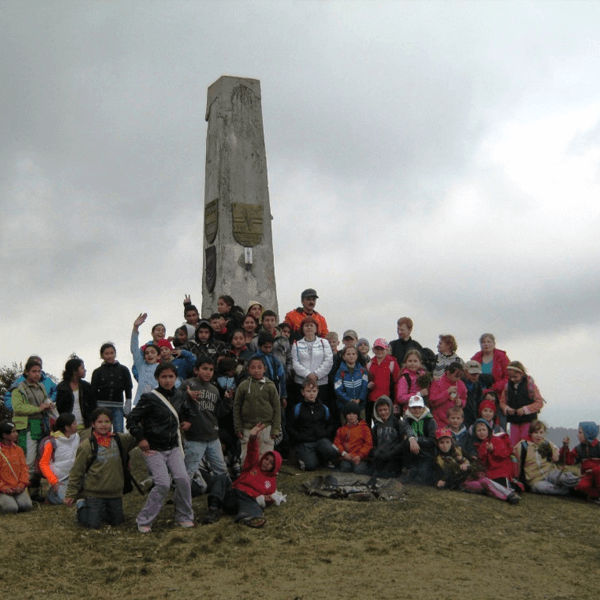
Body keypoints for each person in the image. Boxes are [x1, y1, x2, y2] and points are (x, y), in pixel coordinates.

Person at [127, 363, 195, 533]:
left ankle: (184, 517)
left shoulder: (181, 396)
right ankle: (144, 520)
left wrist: (188, 422)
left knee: (183, 480)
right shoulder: (149, 398)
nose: (167, 380)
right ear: (157, 378)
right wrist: (141, 438)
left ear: (176, 378)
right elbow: (132, 420)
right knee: (163, 484)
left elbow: (187, 413)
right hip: (153, 448)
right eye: (163, 377)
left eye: (171, 376)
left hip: (173, 447)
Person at [65, 408, 138, 528]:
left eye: (107, 421)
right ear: (93, 424)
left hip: (115, 493)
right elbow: (77, 471)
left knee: (118, 522)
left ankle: (103, 510)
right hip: (94, 493)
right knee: (93, 525)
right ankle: (82, 505)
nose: (103, 425)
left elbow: (137, 438)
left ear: (111, 423)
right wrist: (71, 494)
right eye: (99, 422)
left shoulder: (120, 439)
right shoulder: (86, 446)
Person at [203, 422, 283, 528]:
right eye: (266, 459)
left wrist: (268, 500)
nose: (267, 462)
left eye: (271, 463)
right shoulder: (253, 465)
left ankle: (248, 518)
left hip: (246, 501)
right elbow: (252, 452)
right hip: (233, 494)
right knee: (222, 477)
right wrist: (253, 438)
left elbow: (268, 499)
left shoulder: (271, 482)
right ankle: (213, 509)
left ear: (274, 467)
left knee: (253, 502)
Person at [179, 357, 230, 491]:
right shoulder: (188, 384)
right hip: (194, 437)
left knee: (221, 468)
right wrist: (186, 394)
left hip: (212, 436)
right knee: (189, 470)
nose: (208, 372)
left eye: (211, 370)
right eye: (204, 369)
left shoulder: (214, 389)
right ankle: (181, 498)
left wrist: (227, 401)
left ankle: (227, 494)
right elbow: (175, 400)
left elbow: (217, 412)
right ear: (196, 370)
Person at [434, 428, 519, 504]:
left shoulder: (458, 450)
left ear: (451, 442)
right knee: (484, 483)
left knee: (484, 479)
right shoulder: (439, 458)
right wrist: (442, 482)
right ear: (437, 443)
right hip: (461, 483)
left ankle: (508, 494)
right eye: (442, 442)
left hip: (470, 475)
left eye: (447, 442)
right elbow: (445, 476)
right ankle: (508, 496)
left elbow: (472, 461)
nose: (445, 445)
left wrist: (467, 464)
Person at [11, 357, 56, 496]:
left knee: (40, 460)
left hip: (40, 425)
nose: (37, 374)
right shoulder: (18, 388)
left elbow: (44, 402)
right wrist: (39, 408)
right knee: (28, 460)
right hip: (26, 426)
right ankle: (23, 494)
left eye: (39, 371)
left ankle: (35, 492)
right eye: (34, 371)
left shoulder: (42, 387)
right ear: (27, 372)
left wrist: (49, 405)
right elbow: (18, 408)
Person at [233, 356, 281, 462]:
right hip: (247, 428)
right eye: (253, 368)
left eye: (259, 368)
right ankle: (247, 478)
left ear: (265, 369)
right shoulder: (243, 386)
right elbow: (236, 407)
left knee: (265, 458)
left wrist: (276, 428)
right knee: (247, 458)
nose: (256, 370)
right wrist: (238, 427)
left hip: (266, 428)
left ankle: (263, 478)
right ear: (248, 370)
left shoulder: (270, 386)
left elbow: (277, 408)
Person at [514, 420, 579, 495]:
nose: (538, 435)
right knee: (543, 488)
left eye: (541, 432)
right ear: (530, 433)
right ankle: (572, 492)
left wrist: (564, 447)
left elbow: (557, 458)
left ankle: (582, 486)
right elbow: (517, 464)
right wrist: (518, 480)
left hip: (550, 472)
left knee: (564, 478)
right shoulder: (522, 446)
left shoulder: (547, 444)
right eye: (536, 432)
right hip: (535, 480)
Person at [287, 381, 338, 471]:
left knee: (332, 451)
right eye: (308, 391)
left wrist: (324, 434)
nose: (311, 394)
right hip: (304, 442)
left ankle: (321, 458)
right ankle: (303, 457)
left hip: (320, 440)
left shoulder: (324, 408)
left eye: (314, 391)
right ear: (303, 392)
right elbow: (290, 426)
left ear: (318, 391)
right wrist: (299, 437)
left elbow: (331, 424)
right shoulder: (297, 408)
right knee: (310, 466)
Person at [90, 343, 133, 434]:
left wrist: (128, 402)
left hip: (118, 405)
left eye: (111, 353)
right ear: (102, 355)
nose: (109, 356)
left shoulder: (123, 369)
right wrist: (93, 407)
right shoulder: (98, 371)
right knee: (102, 430)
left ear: (115, 353)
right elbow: (93, 391)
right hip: (101, 405)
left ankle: (118, 448)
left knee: (119, 431)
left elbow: (128, 387)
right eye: (106, 354)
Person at [37, 413, 79, 504]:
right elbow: (43, 464)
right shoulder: (51, 442)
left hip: (75, 476)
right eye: (74, 423)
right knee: (64, 500)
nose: (77, 425)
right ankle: (51, 495)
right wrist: (54, 481)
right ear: (67, 427)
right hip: (60, 478)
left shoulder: (77, 437)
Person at [291, 316, 333, 407]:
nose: (309, 327)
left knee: (321, 409)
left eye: (311, 325)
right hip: (301, 382)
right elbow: (295, 363)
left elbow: (328, 360)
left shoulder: (324, 342)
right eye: (306, 325)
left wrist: (316, 375)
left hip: (321, 383)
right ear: (302, 329)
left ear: (316, 328)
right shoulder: (296, 345)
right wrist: (308, 375)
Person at [499, 361, 544, 445]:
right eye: (510, 377)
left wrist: (525, 409)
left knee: (526, 442)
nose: (512, 379)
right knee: (514, 443)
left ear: (522, 373)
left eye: (515, 377)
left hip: (528, 421)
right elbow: (502, 402)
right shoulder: (508, 387)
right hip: (514, 421)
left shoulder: (530, 385)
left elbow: (539, 402)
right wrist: (507, 409)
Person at [370, 396, 414, 478]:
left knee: (387, 475)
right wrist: (376, 453)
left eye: (385, 410)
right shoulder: (376, 426)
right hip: (381, 456)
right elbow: (374, 443)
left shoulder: (397, 422)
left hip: (394, 456)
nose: (383, 413)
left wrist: (393, 451)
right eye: (380, 410)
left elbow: (406, 433)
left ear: (390, 409)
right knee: (374, 474)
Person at [470, 419, 515, 491]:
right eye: (479, 431)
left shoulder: (496, 440)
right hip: (489, 472)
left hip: (501, 470)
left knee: (500, 485)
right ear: (475, 433)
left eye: (484, 430)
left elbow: (505, 453)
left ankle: (511, 487)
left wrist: (493, 449)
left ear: (488, 430)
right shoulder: (478, 445)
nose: (482, 432)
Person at [559, 422, 600, 500]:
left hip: (598, 474)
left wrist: (593, 470)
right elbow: (570, 461)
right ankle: (594, 495)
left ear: (588, 434)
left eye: (580, 433)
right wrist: (565, 448)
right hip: (587, 477)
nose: (578, 435)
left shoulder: (598, 447)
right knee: (581, 487)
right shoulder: (579, 449)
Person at [401, 395, 437, 484]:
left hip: (426, 453)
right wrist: (411, 439)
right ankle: (408, 469)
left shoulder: (431, 420)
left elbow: (432, 440)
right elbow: (407, 428)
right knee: (405, 443)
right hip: (410, 452)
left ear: (423, 408)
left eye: (419, 407)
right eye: (414, 407)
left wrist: (416, 440)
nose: (416, 410)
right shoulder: (405, 419)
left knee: (425, 478)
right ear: (409, 408)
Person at [0, 420, 32, 513]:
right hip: (3, 489)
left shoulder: (18, 450)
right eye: (13, 432)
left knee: (26, 506)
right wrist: (3, 488)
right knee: (11, 508)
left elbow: (24, 469)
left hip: (17, 487)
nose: (16, 434)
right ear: (5, 435)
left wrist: (22, 484)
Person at [366, 339, 400, 426]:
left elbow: (397, 384)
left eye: (382, 349)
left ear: (386, 349)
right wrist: (369, 385)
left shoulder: (392, 363)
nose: (379, 351)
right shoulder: (369, 364)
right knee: (375, 426)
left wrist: (395, 402)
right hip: (372, 401)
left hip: (388, 401)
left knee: (388, 425)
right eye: (377, 349)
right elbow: (366, 382)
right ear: (373, 350)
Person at [56, 357, 95, 431]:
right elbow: (59, 407)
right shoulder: (62, 387)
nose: (85, 370)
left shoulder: (86, 386)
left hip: (85, 427)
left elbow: (92, 405)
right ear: (74, 371)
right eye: (82, 368)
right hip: (68, 427)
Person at [130, 313, 161, 409]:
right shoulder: (141, 366)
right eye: (147, 353)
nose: (150, 355)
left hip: (157, 403)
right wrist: (135, 328)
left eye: (152, 352)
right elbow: (134, 349)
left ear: (158, 355)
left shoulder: (162, 368)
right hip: (141, 403)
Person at [333, 403, 373, 474]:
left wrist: (360, 456)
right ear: (345, 415)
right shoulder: (341, 429)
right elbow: (337, 443)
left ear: (358, 415)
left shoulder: (364, 428)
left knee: (358, 470)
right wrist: (344, 454)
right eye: (349, 414)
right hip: (346, 457)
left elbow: (368, 444)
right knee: (345, 468)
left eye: (354, 413)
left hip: (360, 457)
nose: (351, 416)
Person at [334, 345, 369, 416]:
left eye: (353, 354)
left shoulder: (362, 370)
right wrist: (349, 400)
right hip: (345, 406)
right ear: (344, 357)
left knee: (361, 425)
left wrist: (359, 399)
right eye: (348, 354)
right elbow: (338, 389)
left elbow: (364, 386)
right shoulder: (340, 372)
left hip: (360, 406)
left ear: (357, 356)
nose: (351, 356)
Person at [429, 362, 467, 427]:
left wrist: (461, 403)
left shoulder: (461, 384)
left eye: (460, 376)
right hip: (440, 422)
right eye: (456, 376)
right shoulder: (437, 383)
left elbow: (464, 399)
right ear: (448, 373)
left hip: (455, 423)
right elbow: (433, 401)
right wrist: (447, 392)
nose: (458, 378)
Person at [395, 349, 428, 415]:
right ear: (405, 362)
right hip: (410, 412)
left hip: (424, 411)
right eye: (410, 361)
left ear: (420, 362)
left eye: (415, 361)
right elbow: (400, 398)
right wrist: (418, 394)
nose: (412, 364)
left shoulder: (425, 376)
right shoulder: (404, 378)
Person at [461, 360, 485, 429]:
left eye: (477, 374)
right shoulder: (459, 383)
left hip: (474, 417)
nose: (475, 376)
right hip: (462, 418)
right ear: (465, 371)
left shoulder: (478, 385)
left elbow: (479, 401)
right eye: (473, 374)